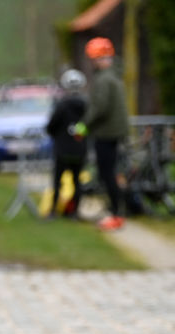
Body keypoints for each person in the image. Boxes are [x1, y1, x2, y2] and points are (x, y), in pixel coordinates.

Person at [83, 37, 129, 231]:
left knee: (107, 174)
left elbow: (99, 108)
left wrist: (83, 126)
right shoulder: (114, 77)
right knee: (112, 173)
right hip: (115, 132)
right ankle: (116, 211)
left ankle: (116, 214)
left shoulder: (104, 79)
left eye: (93, 59)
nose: (92, 63)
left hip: (106, 133)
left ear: (100, 58)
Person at [45, 69, 89, 219]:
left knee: (58, 181)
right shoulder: (87, 106)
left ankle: (53, 212)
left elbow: (51, 126)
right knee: (77, 181)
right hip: (80, 149)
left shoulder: (61, 105)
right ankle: (75, 212)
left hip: (62, 150)